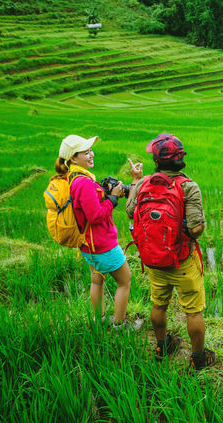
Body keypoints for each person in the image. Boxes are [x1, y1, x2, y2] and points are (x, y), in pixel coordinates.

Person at [128, 133, 216, 370]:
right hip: (182, 259)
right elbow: (196, 228)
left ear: (157, 161)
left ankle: (161, 346)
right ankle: (198, 358)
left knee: (158, 305)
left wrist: (135, 181)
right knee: (193, 311)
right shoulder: (188, 186)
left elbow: (130, 212)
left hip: (154, 260)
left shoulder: (145, 183)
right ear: (181, 160)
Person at [56, 134, 134, 328]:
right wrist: (113, 198)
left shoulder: (73, 176)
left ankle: (98, 319)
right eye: (86, 152)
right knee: (125, 281)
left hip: (87, 243)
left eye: (91, 150)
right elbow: (96, 216)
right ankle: (120, 326)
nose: (91, 154)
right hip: (102, 244)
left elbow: (86, 207)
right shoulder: (83, 182)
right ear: (73, 158)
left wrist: (103, 193)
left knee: (97, 280)